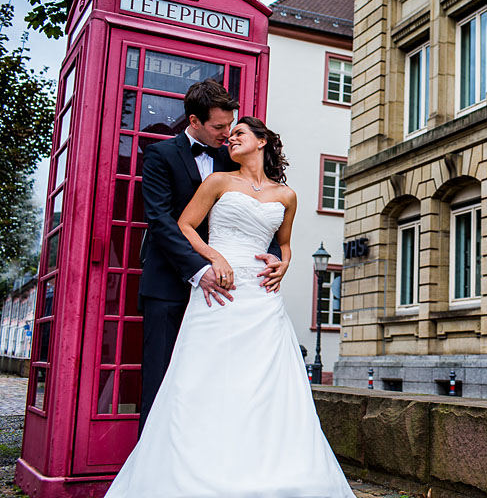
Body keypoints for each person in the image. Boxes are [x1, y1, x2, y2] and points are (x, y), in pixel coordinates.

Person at [106, 117, 355, 497]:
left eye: (239, 133)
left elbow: (283, 242)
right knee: (204, 381)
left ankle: (263, 469)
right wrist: (211, 259)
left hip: (262, 297)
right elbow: (185, 225)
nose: (230, 139)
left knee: (263, 385)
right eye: (228, 132)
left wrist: (285, 263)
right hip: (218, 291)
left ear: (262, 141)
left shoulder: (286, 195)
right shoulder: (218, 181)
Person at [137, 79, 282, 433]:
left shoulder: (231, 156)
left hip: (231, 291)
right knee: (161, 383)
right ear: (194, 120)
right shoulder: (160, 155)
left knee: (219, 383)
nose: (227, 133)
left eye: (231, 126)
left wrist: (275, 258)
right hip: (171, 285)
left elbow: (262, 212)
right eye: (219, 126)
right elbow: (161, 221)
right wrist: (200, 269)